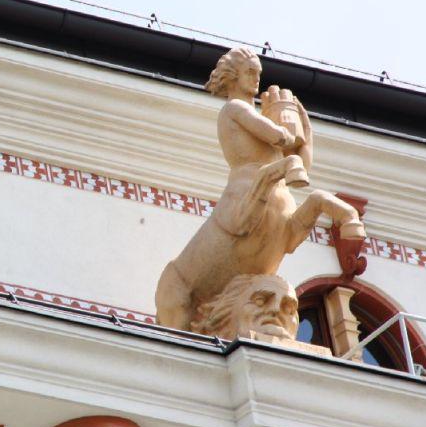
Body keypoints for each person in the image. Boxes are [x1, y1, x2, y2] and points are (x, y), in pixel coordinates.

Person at [155, 47, 364, 332]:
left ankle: (347, 215)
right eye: (250, 72)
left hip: (274, 184)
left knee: (312, 202)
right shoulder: (235, 109)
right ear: (233, 76)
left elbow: (300, 166)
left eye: (258, 73)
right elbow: (277, 136)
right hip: (245, 184)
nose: (256, 79)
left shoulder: (269, 156)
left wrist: (306, 135)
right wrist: (285, 125)